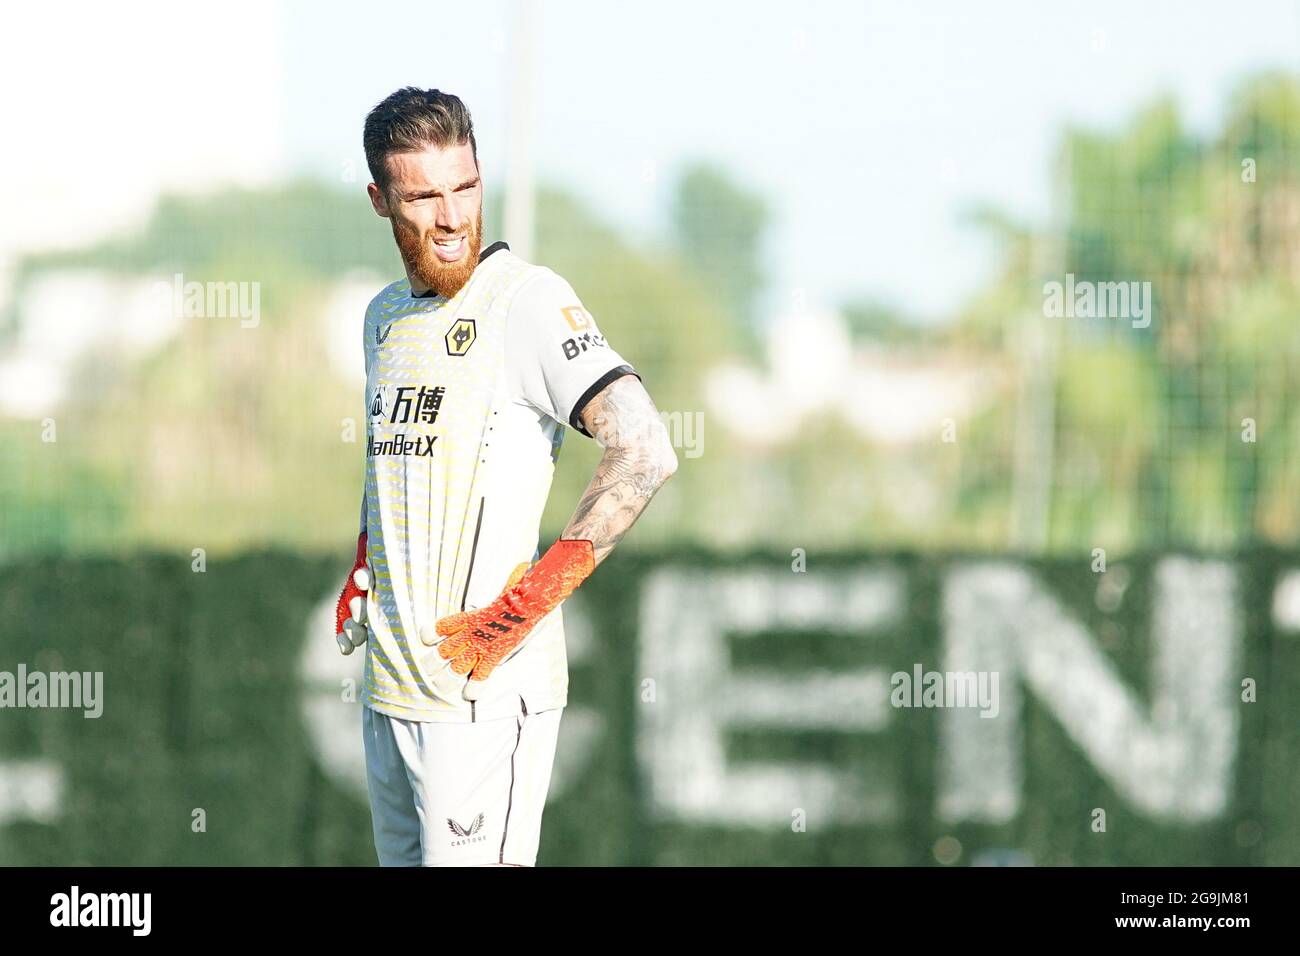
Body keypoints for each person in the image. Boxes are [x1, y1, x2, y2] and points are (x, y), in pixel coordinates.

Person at [334, 87, 677, 867]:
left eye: (465, 187)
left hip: (483, 700)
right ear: (380, 200)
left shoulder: (527, 301)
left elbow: (645, 449)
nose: (452, 216)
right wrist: (365, 559)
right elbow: (392, 465)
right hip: (389, 692)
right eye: (423, 196)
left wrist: (525, 604)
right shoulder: (382, 317)